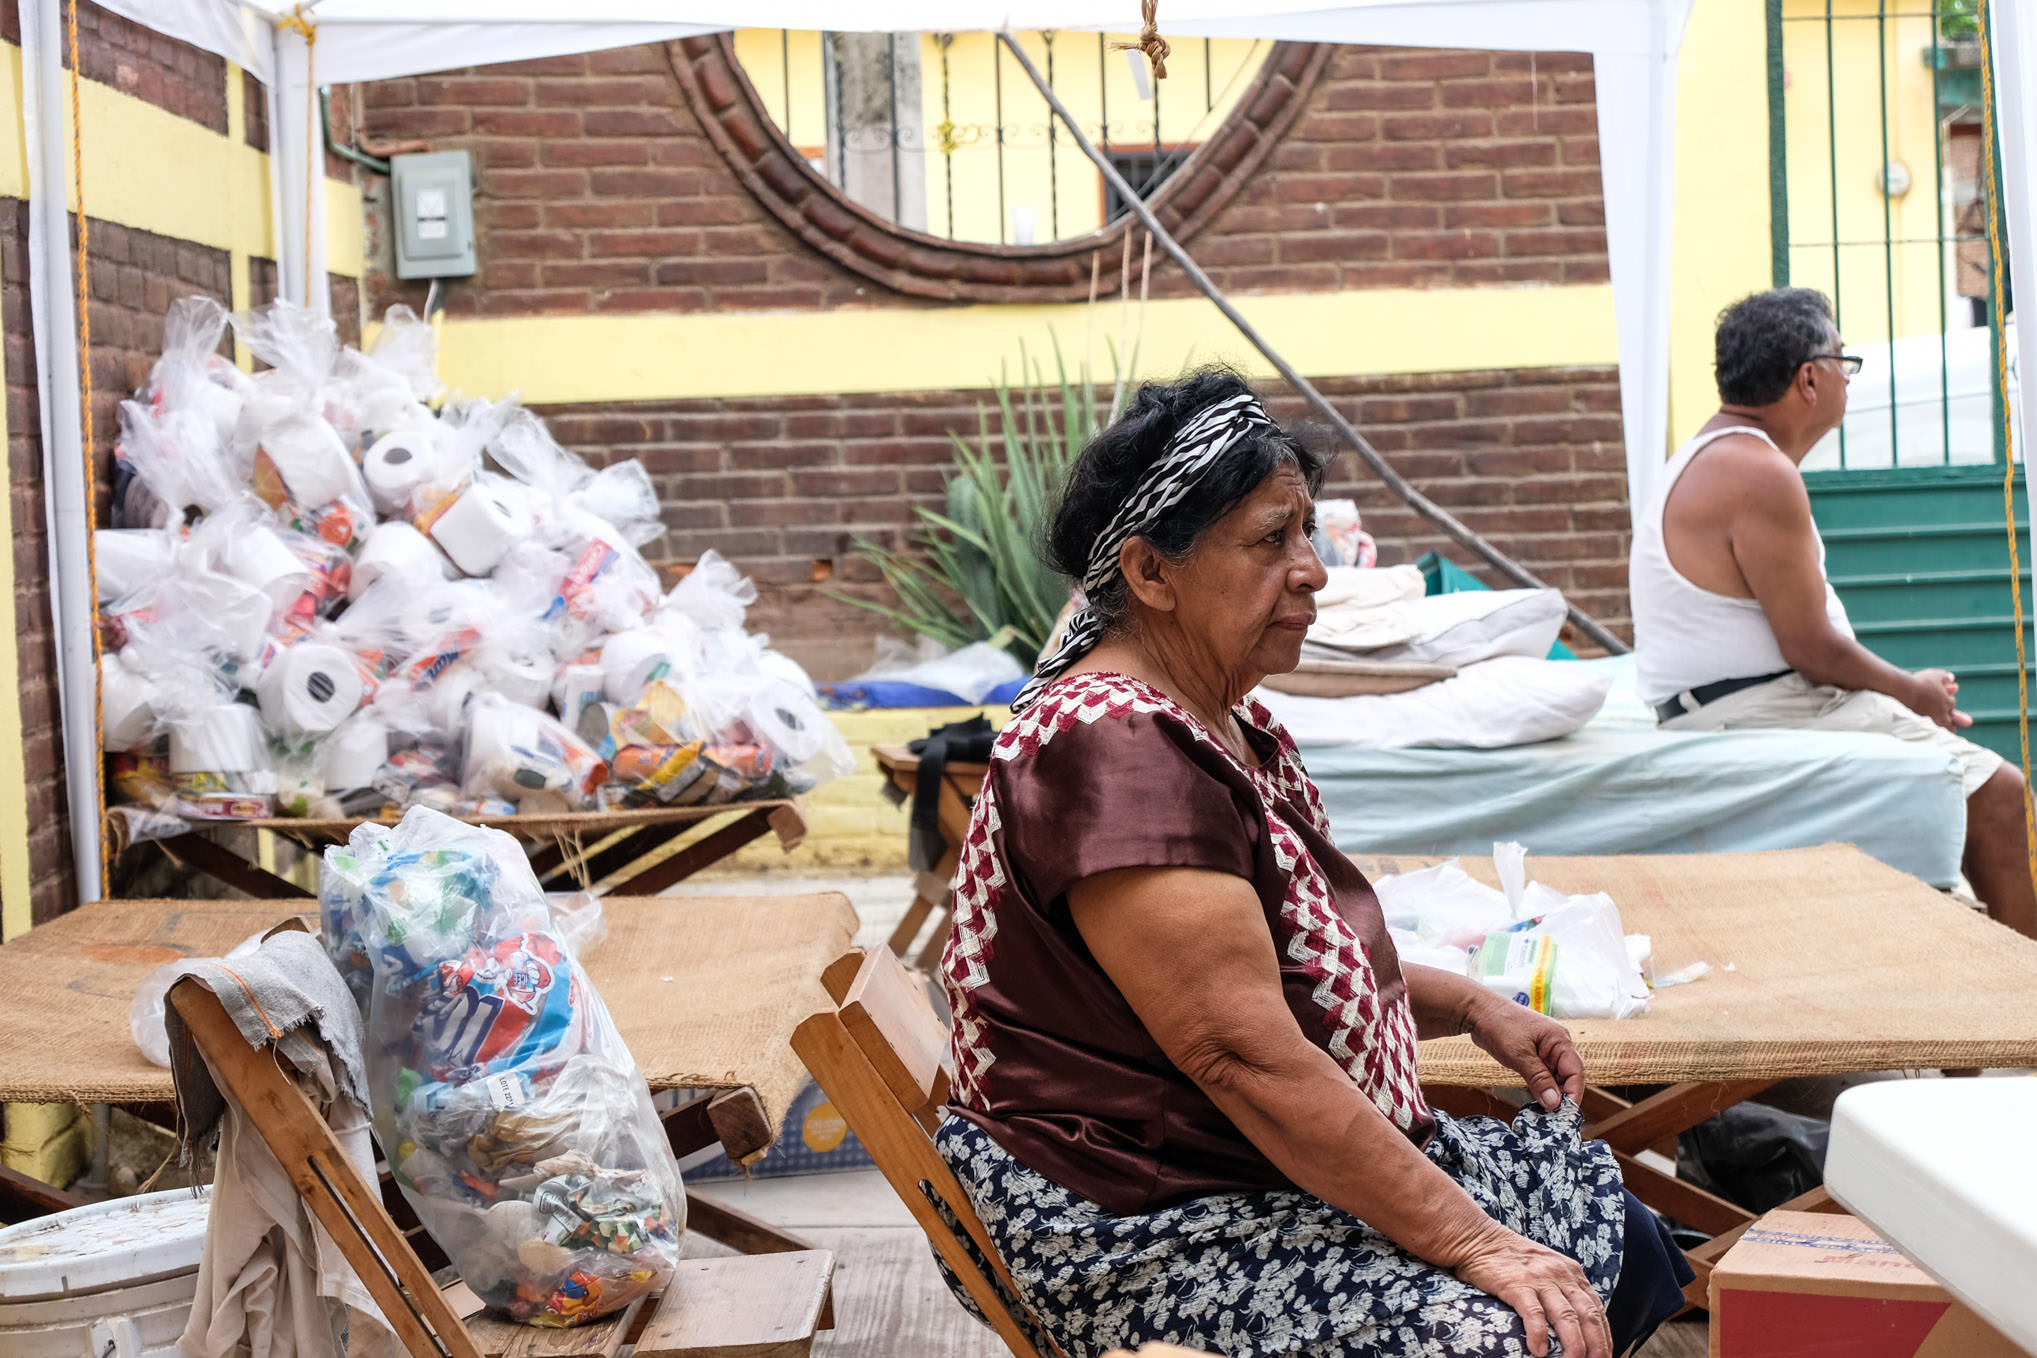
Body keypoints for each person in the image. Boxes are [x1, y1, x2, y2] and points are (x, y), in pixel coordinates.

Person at [932, 371, 1691, 1358]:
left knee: (1624, 1234)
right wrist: (1474, 1241)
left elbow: (1280, 967)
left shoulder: (1215, 721)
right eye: (1270, 540)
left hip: (1233, 1166)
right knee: (1522, 1331)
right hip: (1144, 1218)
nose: (1312, 572)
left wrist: (1469, 1005)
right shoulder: (1117, 750)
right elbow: (1241, 1055)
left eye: (1306, 534)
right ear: (1151, 571)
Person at [1629, 287, 2036, 939]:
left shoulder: (1722, 455)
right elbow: (1810, 649)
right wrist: (1911, 691)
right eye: (1844, 362)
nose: (1848, 378)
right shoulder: (1756, 471)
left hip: (1745, 704)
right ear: (1809, 380)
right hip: (1760, 710)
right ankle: (2023, 993)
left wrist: (1906, 694)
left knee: (1975, 794)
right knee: (1999, 794)